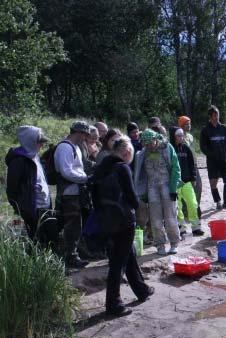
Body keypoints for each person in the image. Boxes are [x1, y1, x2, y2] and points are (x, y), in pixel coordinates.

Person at [91, 137, 154, 316]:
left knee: (128, 255)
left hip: (106, 221)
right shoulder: (122, 168)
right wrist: (136, 207)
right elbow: (132, 198)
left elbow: (94, 195)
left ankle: (141, 290)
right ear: (127, 153)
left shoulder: (101, 167)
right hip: (124, 221)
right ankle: (114, 304)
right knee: (117, 263)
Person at [5, 125, 58, 248]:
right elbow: (12, 189)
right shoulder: (18, 161)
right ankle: (38, 266)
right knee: (35, 241)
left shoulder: (36, 157)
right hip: (31, 210)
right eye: (39, 142)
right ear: (30, 141)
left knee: (52, 239)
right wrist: (20, 209)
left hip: (45, 207)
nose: (42, 145)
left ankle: (52, 266)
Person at [133, 129, 181, 255]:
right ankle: (160, 244)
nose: (149, 146)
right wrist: (142, 193)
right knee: (155, 220)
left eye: (150, 143)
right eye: (146, 144)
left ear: (156, 139)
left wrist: (173, 188)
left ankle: (174, 243)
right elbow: (140, 175)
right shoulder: (142, 154)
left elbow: (176, 168)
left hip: (167, 185)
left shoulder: (167, 148)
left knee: (170, 217)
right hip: (152, 188)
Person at [54, 121, 91, 268]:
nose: (86, 137)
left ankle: (71, 254)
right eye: (85, 134)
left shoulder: (76, 147)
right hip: (68, 193)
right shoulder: (64, 147)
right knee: (72, 226)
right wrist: (86, 178)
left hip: (75, 192)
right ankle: (70, 257)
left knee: (75, 225)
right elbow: (66, 171)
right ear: (79, 132)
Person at [200, 105, 226, 209]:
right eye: (214, 115)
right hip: (212, 161)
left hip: (223, 159)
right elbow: (203, 147)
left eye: (217, 115)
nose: (217, 117)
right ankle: (218, 201)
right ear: (210, 117)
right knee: (213, 183)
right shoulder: (205, 130)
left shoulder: (224, 128)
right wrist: (212, 155)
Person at [171, 127, 204, 236]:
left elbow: (192, 164)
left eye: (182, 135)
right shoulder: (170, 149)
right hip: (175, 183)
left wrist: (193, 178)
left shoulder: (186, 148)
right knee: (178, 207)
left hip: (187, 181)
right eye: (179, 136)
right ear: (173, 137)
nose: (181, 137)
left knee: (193, 204)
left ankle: (196, 228)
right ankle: (181, 229)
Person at [178, 115, 202, 215]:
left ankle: (196, 206)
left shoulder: (190, 136)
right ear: (182, 125)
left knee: (198, 185)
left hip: (194, 163)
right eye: (186, 124)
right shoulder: (179, 136)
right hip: (184, 165)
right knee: (184, 187)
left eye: (189, 123)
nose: (189, 125)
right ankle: (185, 210)